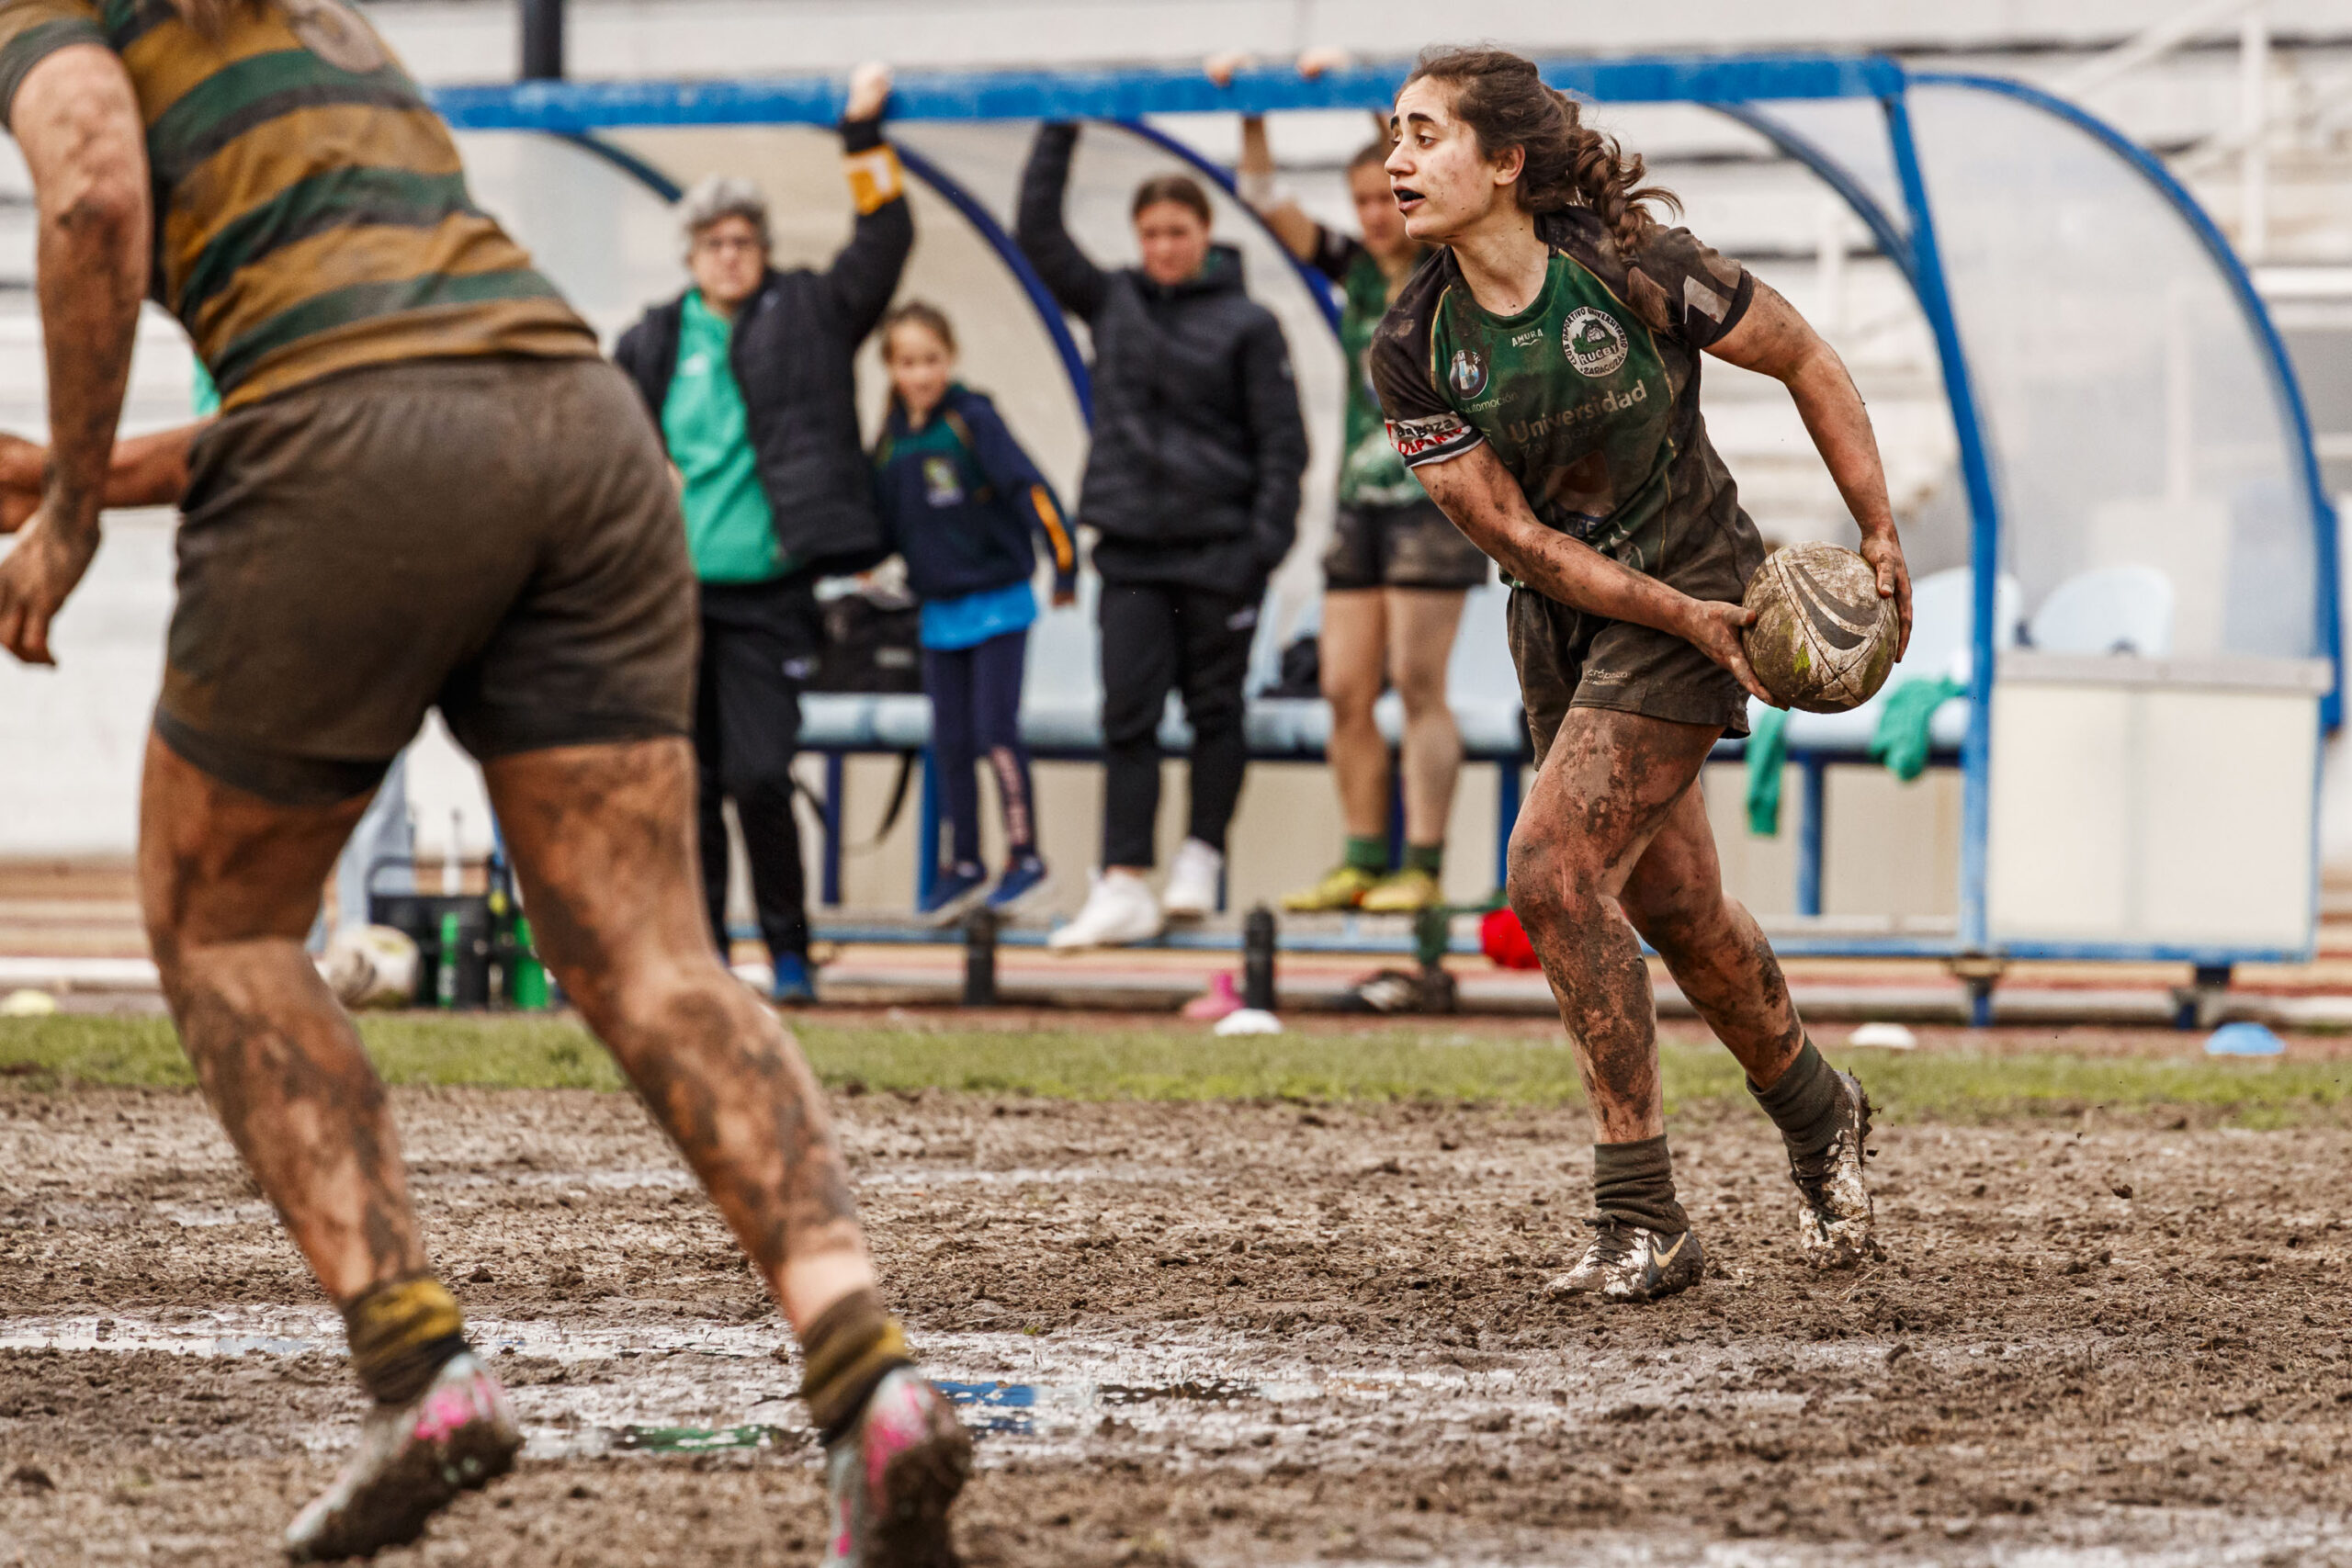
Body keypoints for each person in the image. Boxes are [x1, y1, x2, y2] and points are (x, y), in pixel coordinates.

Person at [0, 13, 966, 1562]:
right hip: (576, 427)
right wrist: (84, 464)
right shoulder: (333, 30)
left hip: (352, 450)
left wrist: (62, 517)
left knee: (226, 926)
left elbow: (95, 200)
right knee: (653, 956)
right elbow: (404, 349)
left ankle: (421, 1371)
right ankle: (869, 1376)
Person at [1371, 47, 1914, 1303]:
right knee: (1676, 905)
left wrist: (1876, 528)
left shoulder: (1633, 268)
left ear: (1506, 162)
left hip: (1698, 585)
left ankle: (1642, 1212)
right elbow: (1515, 537)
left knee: (1549, 869)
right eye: (1392, 134)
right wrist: (1674, 614)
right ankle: (1820, 1109)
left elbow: (1810, 358)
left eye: (1424, 134)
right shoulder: (1414, 345)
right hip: (1578, 616)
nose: (1396, 159)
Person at [614, 101, 913, 1006]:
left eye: (745, 240)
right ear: (690, 254)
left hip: (770, 592)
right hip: (675, 598)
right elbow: (608, 437)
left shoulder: (811, 310)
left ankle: (789, 949)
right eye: (714, 243)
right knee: (689, 784)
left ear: (763, 247)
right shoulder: (652, 338)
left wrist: (863, 143)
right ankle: (702, 955)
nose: (731, 255)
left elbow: (888, 238)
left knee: (757, 773)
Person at [1015, 125, 1309, 950]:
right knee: (1128, 716)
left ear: (1205, 235)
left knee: (1216, 714)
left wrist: (1262, 549)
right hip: (1134, 551)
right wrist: (1060, 124)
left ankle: (1200, 857)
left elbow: (1284, 447)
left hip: (1222, 555)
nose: (1164, 247)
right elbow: (1037, 234)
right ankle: (1121, 880)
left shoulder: (1250, 324)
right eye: (1150, 234)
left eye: (1178, 232)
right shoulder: (1113, 300)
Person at [1220, 74, 1491, 917]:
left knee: (1418, 681)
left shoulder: (1445, 261)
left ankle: (1425, 860)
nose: (1377, 212)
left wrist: (1366, 95)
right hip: (1357, 499)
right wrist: (1252, 108)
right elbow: (1263, 196)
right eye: (1363, 199)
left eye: (1387, 193)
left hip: (1434, 497)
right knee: (1344, 686)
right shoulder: (1351, 269)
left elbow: (1415, 154)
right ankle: (1361, 855)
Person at [872, 301, 1074, 918]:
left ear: (950, 358)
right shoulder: (890, 441)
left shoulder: (973, 419)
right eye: (907, 362)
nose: (921, 374)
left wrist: (1064, 562)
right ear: (890, 367)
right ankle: (964, 860)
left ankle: (1026, 855)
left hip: (999, 605)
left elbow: (1031, 488)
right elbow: (882, 520)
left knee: (996, 732)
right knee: (950, 741)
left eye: (931, 359)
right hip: (940, 614)